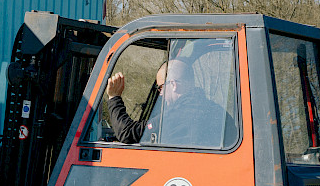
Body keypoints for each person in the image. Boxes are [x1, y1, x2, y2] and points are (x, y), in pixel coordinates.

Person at [100, 57, 234, 149]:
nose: (161, 94)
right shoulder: (218, 112)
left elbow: (127, 133)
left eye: (161, 88)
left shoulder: (177, 116)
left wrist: (114, 97)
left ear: (173, 85)